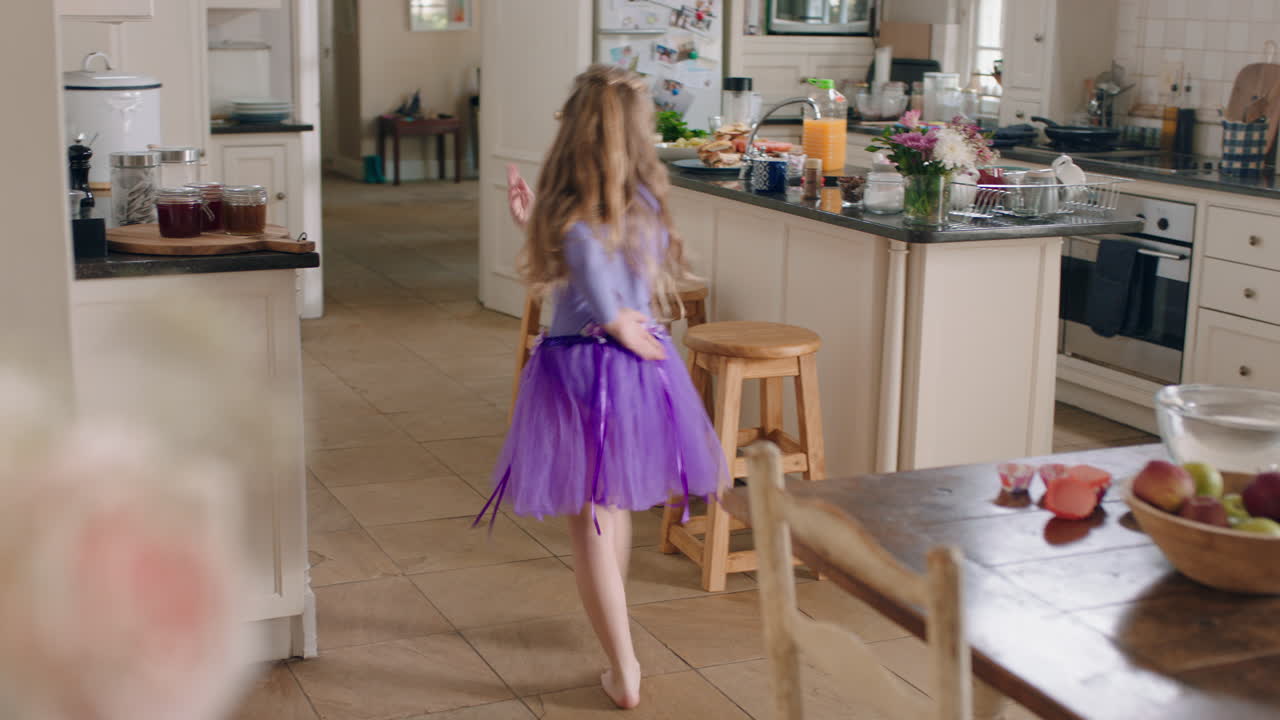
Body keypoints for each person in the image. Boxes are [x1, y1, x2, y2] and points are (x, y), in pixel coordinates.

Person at [476, 65, 725, 709]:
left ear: (574, 132)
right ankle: (617, 651)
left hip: (582, 372)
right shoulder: (642, 202)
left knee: (590, 522)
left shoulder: (573, 214)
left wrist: (617, 322)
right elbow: (594, 273)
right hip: (638, 374)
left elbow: (591, 278)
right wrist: (537, 227)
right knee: (610, 507)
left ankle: (625, 665)